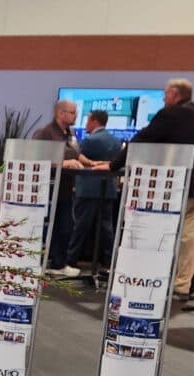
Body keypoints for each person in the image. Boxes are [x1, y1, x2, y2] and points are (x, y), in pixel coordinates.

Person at [94, 78, 194, 299]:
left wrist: (113, 165)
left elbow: (141, 139)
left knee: (173, 233)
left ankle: (181, 285)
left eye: (165, 95)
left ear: (175, 95)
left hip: (183, 183)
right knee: (189, 234)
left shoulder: (171, 114)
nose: (163, 99)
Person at [32, 100, 84, 277]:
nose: (75, 116)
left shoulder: (70, 133)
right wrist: (64, 163)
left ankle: (58, 263)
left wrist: (92, 163)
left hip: (65, 190)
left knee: (65, 228)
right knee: (44, 228)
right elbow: (36, 158)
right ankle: (35, 263)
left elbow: (76, 154)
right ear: (60, 113)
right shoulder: (45, 133)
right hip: (46, 190)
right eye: (72, 112)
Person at [68, 110, 122, 272]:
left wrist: (89, 163)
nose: (85, 124)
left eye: (87, 120)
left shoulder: (89, 141)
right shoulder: (116, 141)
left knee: (80, 226)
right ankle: (108, 262)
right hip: (109, 189)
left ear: (94, 121)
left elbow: (77, 156)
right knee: (107, 227)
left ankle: (71, 260)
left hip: (88, 189)